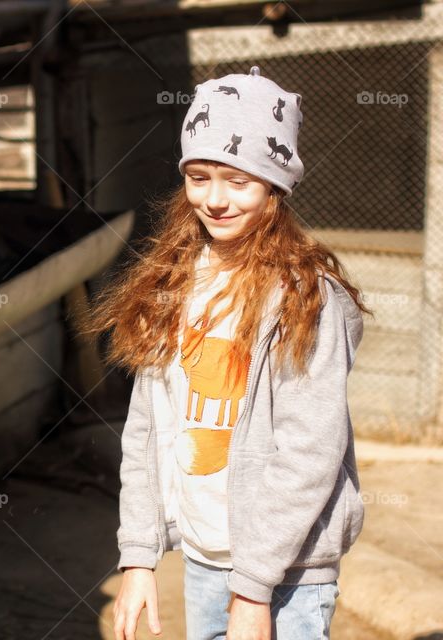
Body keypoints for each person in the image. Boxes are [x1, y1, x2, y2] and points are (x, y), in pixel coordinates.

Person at [83, 66, 372, 640]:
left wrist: (254, 588)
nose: (214, 200)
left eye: (238, 182)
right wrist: (139, 556)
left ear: (276, 186)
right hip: (204, 556)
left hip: (286, 574)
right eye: (199, 177)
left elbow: (310, 449)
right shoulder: (173, 286)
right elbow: (146, 429)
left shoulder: (306, 299)